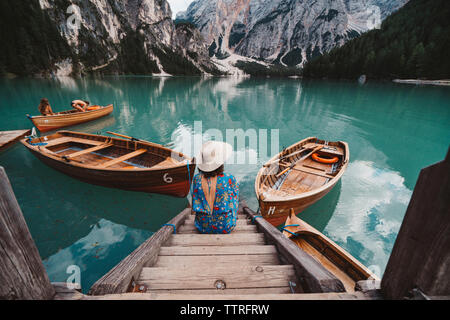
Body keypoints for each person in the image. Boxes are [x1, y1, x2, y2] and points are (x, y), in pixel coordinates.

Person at [191, 141, 239, 234]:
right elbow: (235, 199)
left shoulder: (196, 179)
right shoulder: (229, 178)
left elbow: (195, 199)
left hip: (202, 226)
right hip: (225, 226)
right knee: (233, 197)